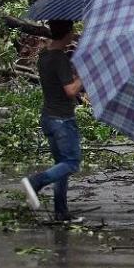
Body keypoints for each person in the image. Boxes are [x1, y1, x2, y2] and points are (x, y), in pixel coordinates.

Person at [21, 19, 83, 222]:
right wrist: (84, 76)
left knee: (61, 165)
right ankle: (35, 182)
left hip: (48, 116)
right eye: (72, 32)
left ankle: (61, 212)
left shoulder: (45, 56)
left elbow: (59, 82)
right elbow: (71, 90)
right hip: (62, 120)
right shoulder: (59, 58)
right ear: (67, 33)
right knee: (72, 162)